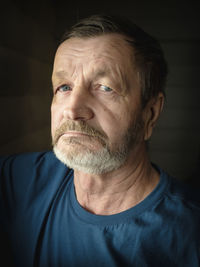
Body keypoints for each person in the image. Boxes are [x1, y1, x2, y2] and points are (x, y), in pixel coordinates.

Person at [0, 14, 200, 267]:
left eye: (105, 88)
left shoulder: (189, 235)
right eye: (63, 87)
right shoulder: (21, 181)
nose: (72, 110)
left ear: (150, 113)